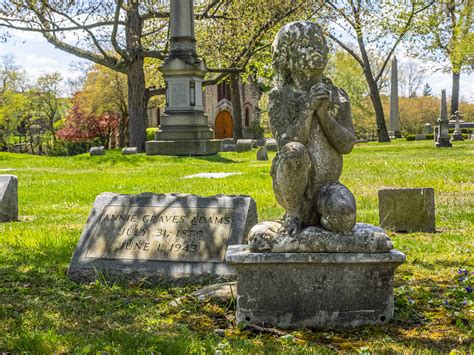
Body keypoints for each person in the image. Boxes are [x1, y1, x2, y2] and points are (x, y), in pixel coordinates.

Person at [269, 21, 357, 234]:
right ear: (286, 56)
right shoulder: (280, 96)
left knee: (344, 216)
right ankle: (294, 214)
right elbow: (287, 143)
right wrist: (308, 108)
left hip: (327, 187)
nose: (314, 49)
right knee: (294, 151)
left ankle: (319, 221)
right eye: (305, 44)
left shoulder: (338, 96)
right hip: (291, 189)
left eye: (319, 42)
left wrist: (324, 114)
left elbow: (346, 144)